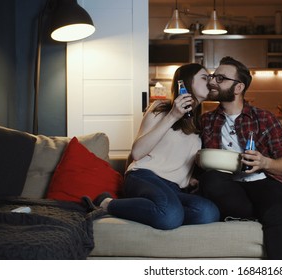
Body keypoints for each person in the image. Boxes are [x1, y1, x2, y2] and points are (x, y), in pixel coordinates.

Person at [198, 56, 282, 259]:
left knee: (275, 210)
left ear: (238, 88)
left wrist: (264, 162)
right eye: (213, 76)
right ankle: (260, 212)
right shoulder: (206, 120)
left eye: (221, 78)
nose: (213, 82)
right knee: (210, 179)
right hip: (230, 188)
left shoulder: (264, 118)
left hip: (265, 183)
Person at [84, 63, 220, 230]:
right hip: (144, 176)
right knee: (170, 216)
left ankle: (160, 210)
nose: (210, 81)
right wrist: (173, 116)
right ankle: (107, 204)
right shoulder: (161, 108)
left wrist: (190, 177)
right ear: (185, 82)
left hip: (174, 187)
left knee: (208, 212)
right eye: (204, 77)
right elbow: (137, 152)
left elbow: (180, 158)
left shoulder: (201, 123)